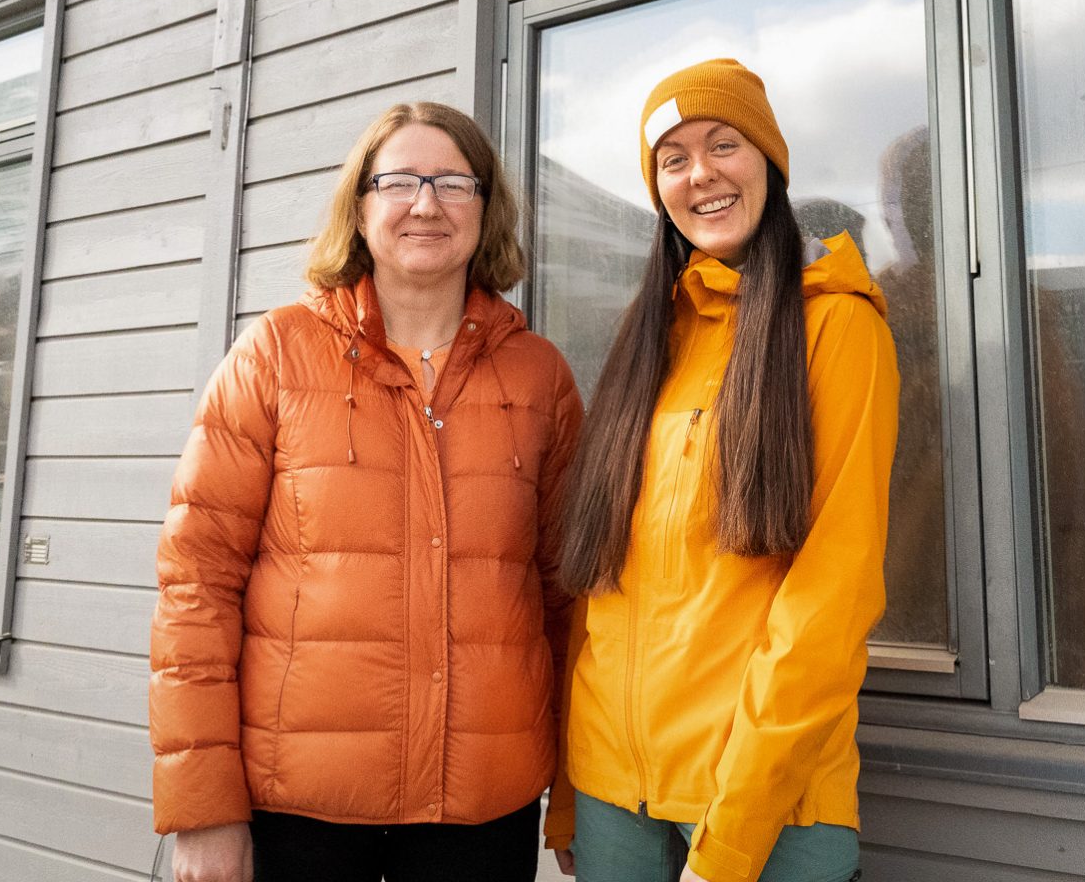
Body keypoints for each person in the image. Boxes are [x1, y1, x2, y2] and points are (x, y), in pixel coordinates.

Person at [150, 101, 582, 882]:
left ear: (487, 210)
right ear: (361, 204)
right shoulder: (275, 355)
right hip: (299, 814)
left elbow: (568, 601)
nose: (426, 203)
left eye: (454, 182)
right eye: (400, 182)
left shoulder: (539, 376)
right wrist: (205, 809)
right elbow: (197, 586)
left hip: (483, 814)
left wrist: (579, 791)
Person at [548, 58, 900, 882]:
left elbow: (831, 598)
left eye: (722, 144)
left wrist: (734, 837)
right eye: (672, 159)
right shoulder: (652, 337)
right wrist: (570, 792)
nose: (700, 173)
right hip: (614, 801)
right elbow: (598, 580)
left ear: (769, 161)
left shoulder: (835, 328)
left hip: (768, 812)